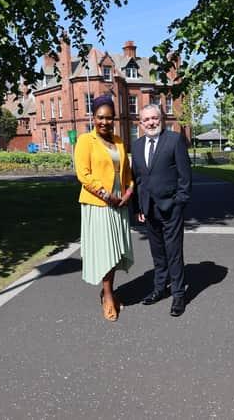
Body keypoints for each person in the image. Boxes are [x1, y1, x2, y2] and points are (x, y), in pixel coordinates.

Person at [74, 95, 134, 322]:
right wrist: (107, 196)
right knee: (106, 252)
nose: (104, 122)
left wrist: (128, 193)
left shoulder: (119, 142)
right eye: (100, 117)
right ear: (93, 117)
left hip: (120, 205)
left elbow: (128, 175)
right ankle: (108, 296)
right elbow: (84, 175)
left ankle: (108, 290)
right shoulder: (85, 141)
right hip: (99, 205)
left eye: (109, 118)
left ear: (114, 120)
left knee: (117, 252)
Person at [131, 104, 192, 316]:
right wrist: (137, 206)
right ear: (140, 123)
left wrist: (180, 202)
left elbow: (185, 176)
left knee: (174, 252)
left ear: (161, 119)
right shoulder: (137, 146)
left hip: (171, 207)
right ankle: (159, 288)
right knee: (157, 253)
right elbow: (137, 179)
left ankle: (178, 294)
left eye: (154, 118)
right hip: (148, 209)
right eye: (146, 119)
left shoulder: (174, 140)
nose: (151, 122)